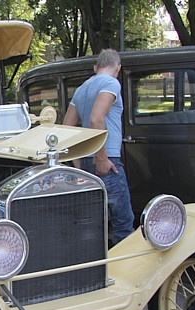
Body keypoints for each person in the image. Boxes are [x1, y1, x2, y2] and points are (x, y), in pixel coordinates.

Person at [62, 49, 134, 245]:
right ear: (118, 68)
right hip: (106, 162)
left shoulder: (82, 88)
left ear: (96, 68)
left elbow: (66, 128)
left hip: (86, 162)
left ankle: (92, 268)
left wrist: (77, 161)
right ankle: (124, 270)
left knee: (91, 224)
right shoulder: (111, 83)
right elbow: (96, 119)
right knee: (123, 223)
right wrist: (102, 158)